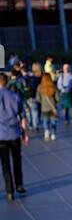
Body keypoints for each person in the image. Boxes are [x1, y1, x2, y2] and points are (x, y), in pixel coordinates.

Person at [0, 73, 28, 202]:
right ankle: (19, 184)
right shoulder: (15, 96)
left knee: (5, 164)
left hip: (1, 135)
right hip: (15, 133)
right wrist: (25, 133)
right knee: (17, 160)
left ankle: (9, 190)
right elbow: (22, 116)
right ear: (6, 82)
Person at [36, 73, 59, 141]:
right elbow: (57, 98)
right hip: (52, 107)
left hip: (44, 107)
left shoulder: (40, 87)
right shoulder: (53, 86)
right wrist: (55, 102)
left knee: (45, 120)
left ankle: (46, 131)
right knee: (53, 121)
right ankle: (53, 134)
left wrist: (42, 102)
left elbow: (38, 98)